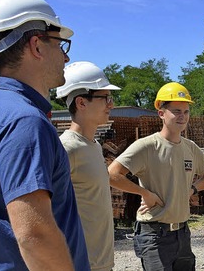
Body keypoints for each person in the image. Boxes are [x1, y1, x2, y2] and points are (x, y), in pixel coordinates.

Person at [0, 0, 89, 270]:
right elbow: (34, 234)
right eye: (60, 45)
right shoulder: (25, 121)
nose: (65, 58)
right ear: (37, 46)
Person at [108, 82, 204, 270]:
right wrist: (145, 193)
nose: (182, 116)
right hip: (154, 234)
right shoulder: (147, 146)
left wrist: (192, 189)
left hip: (182, 233)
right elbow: (112, 174)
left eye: (186, 111)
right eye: (176, 111)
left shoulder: (190, 148)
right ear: (161, 113)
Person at [56, 61, 121, 271]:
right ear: (81, 103)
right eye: (105, 98)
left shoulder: (92, 146)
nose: (111, 104)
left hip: (100, 263)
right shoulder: (66, 148)